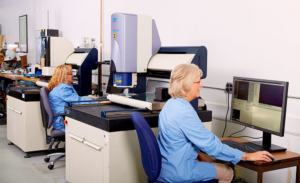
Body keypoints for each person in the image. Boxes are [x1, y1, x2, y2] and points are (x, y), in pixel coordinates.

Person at [157, 63, 274, 183]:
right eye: (198, 82)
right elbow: (212, 146)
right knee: (228, 172)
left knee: (213, 163)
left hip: (166, 168)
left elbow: (183, 140)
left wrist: (202, 157)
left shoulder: (171, 103)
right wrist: (247, 156)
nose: (201, 85)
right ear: (185, 86)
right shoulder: (185, 112)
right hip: (180, 173)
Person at [48, 65, 100, 132]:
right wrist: (97, 102)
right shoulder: (63, 89)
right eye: (70, 73)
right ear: (64, 76)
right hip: (63, 122)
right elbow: (77, 101)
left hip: (60, 120)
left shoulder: (61, 87)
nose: (73, 75)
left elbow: (76, 99)